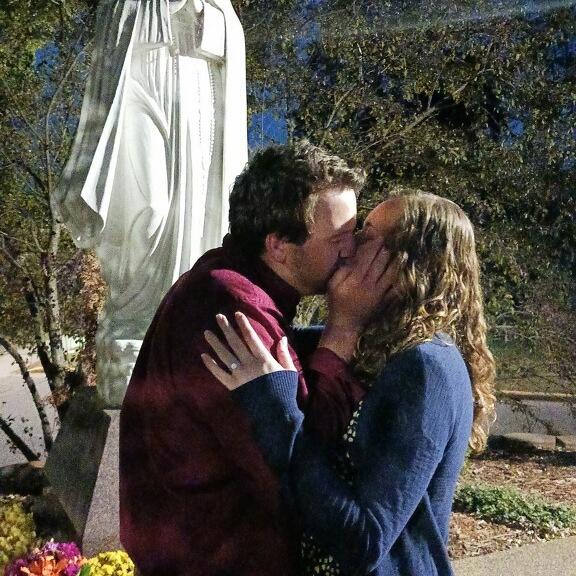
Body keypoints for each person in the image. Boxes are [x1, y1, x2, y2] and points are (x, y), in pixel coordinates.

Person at [119, 142, 389, 575]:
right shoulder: (233, 309)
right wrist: (344, 329)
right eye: (339, 238)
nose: (351, 251)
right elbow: (300, 462)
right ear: (279, 245)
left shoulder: (224, 281)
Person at [203, 192, 497, 576]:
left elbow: (365, 541)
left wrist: (275, 413)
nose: (349, 245)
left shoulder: (427, 368)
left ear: (406, 264)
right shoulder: (372, 346)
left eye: (366, 234)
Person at [52, 0, 247, 405]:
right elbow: (118, 21)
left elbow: (228, 29)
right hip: (138, 79)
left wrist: (203, 17)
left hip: (193, 87)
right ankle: (134, 323)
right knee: (150, 205)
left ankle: (181, 323)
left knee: (194, 214)